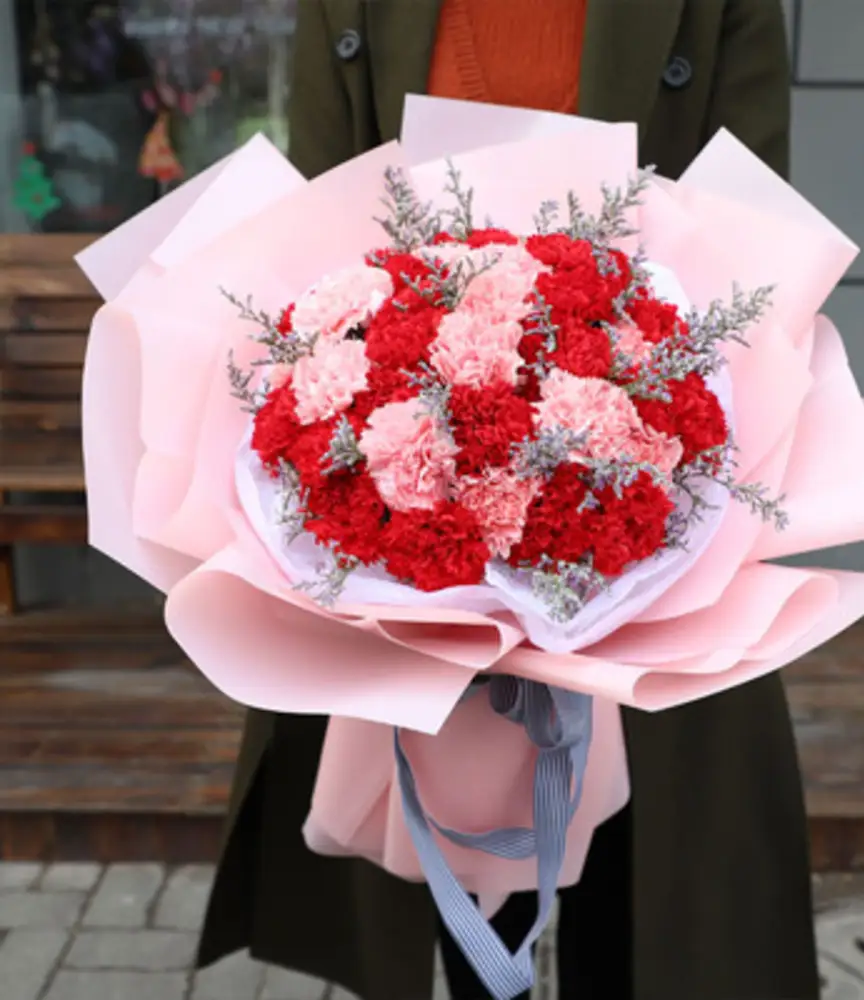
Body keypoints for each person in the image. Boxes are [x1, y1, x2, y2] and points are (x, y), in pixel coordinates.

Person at [196, 2, 821, 998]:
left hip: (652, 489)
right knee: (458, 845)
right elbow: (322, 227)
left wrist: (634, 421)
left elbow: (756, 228)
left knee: (650, 865)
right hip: (418, 501)